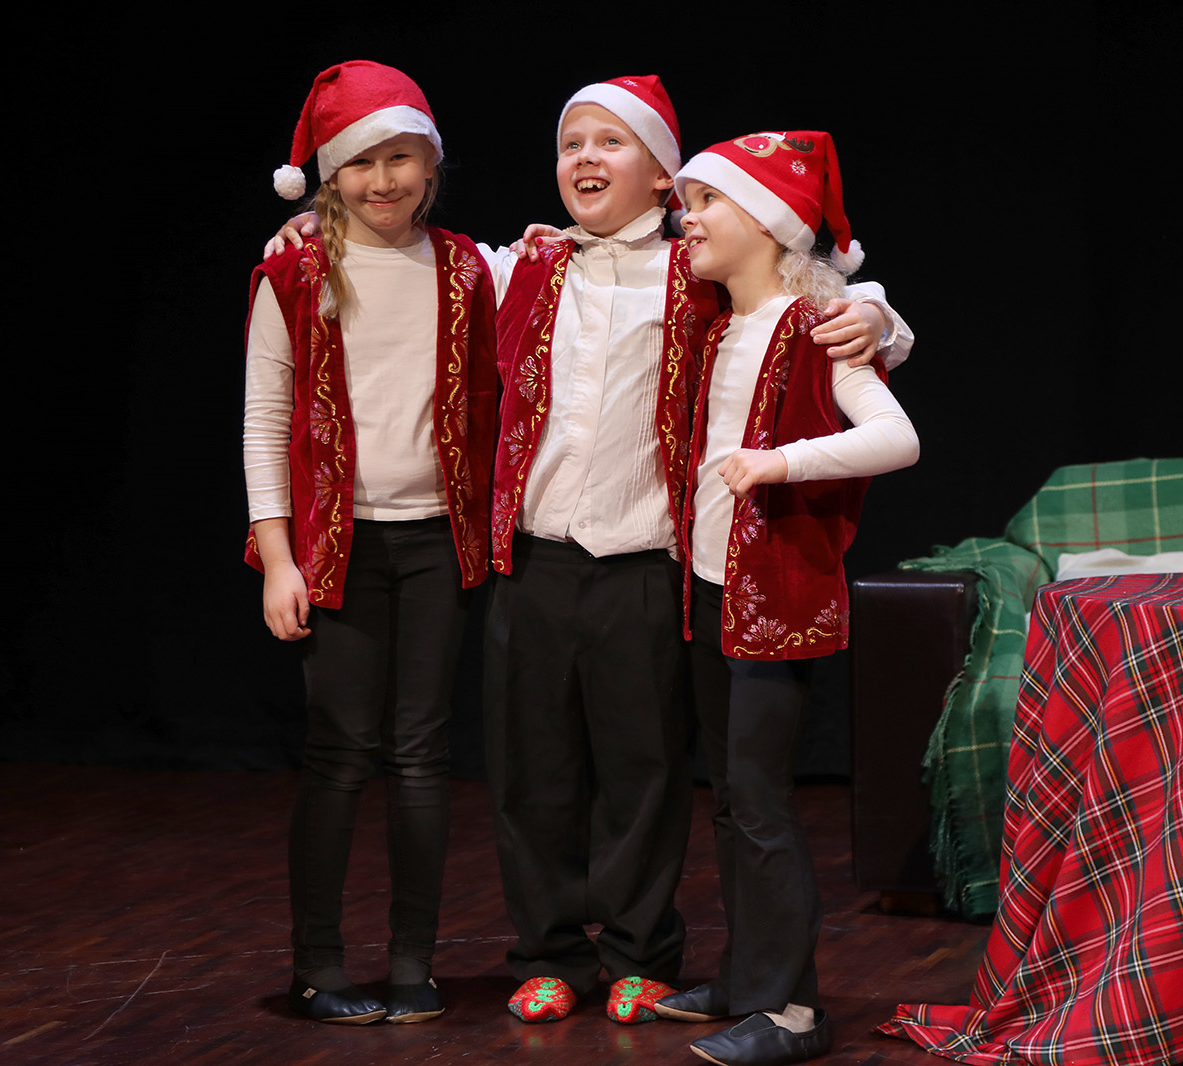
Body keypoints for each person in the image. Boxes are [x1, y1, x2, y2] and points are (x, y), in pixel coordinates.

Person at [265, 75, 912, 1027]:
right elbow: (402, 255)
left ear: (662, 176)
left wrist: (883, 317)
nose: (585, 160)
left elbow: (807, 296)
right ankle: (549, 952)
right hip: (534, 560)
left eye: (611, 142)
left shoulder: (700, 272)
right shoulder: (516, 266)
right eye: (572, 144)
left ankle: (641, 952)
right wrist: (306, 230)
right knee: (533, 770)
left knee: (643, 771)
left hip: (646, 561)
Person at [651, 131, 919, 1066]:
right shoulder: (717, 322)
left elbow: (896, 438)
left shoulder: (820, 327)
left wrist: (779, 463)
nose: (687, 220)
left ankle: (795, 1010)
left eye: (706, 203)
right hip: (712, 589)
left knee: (761, 801)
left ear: (767, 224)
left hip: (777, 596)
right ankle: (746, 979)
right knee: (730, 798)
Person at [243, 61, 495, 1027]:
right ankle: (318, 967)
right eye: (360, 163)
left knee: (423, 753)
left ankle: (412, 963)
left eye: (400, 160)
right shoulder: (293, 272)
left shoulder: (467, 268)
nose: (382, 181)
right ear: (330, 175)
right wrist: (278, 557)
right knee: (340, 754)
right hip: (336, 548)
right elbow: (265, 421)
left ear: (430, 168)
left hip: (433, 542)